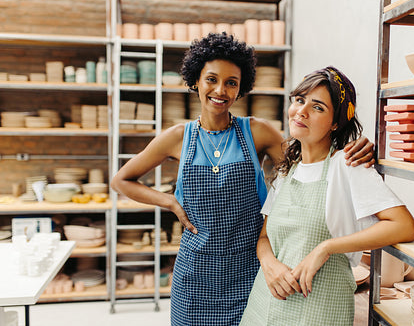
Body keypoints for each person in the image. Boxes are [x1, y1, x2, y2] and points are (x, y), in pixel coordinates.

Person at [110, 33, 375, 325]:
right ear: (196, 80)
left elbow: (311, 161)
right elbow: (122, 180)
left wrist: (353, 147)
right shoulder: (177, 138)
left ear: (240, 89)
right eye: (211, 79)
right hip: (194, 274)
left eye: (231, 83)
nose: (220, 90)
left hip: (249, 270)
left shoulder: (257, 132)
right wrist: (170, 202)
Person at [239, 66, 414, 325]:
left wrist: (326, 248)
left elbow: (405, 226)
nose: (302, 111)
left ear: (336, 123)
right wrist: (269, 264)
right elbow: (265, 236)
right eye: (300, 100)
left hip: (319, 309)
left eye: (318, 107)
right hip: (266, 302)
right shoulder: (288, 170)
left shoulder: (347, 166)